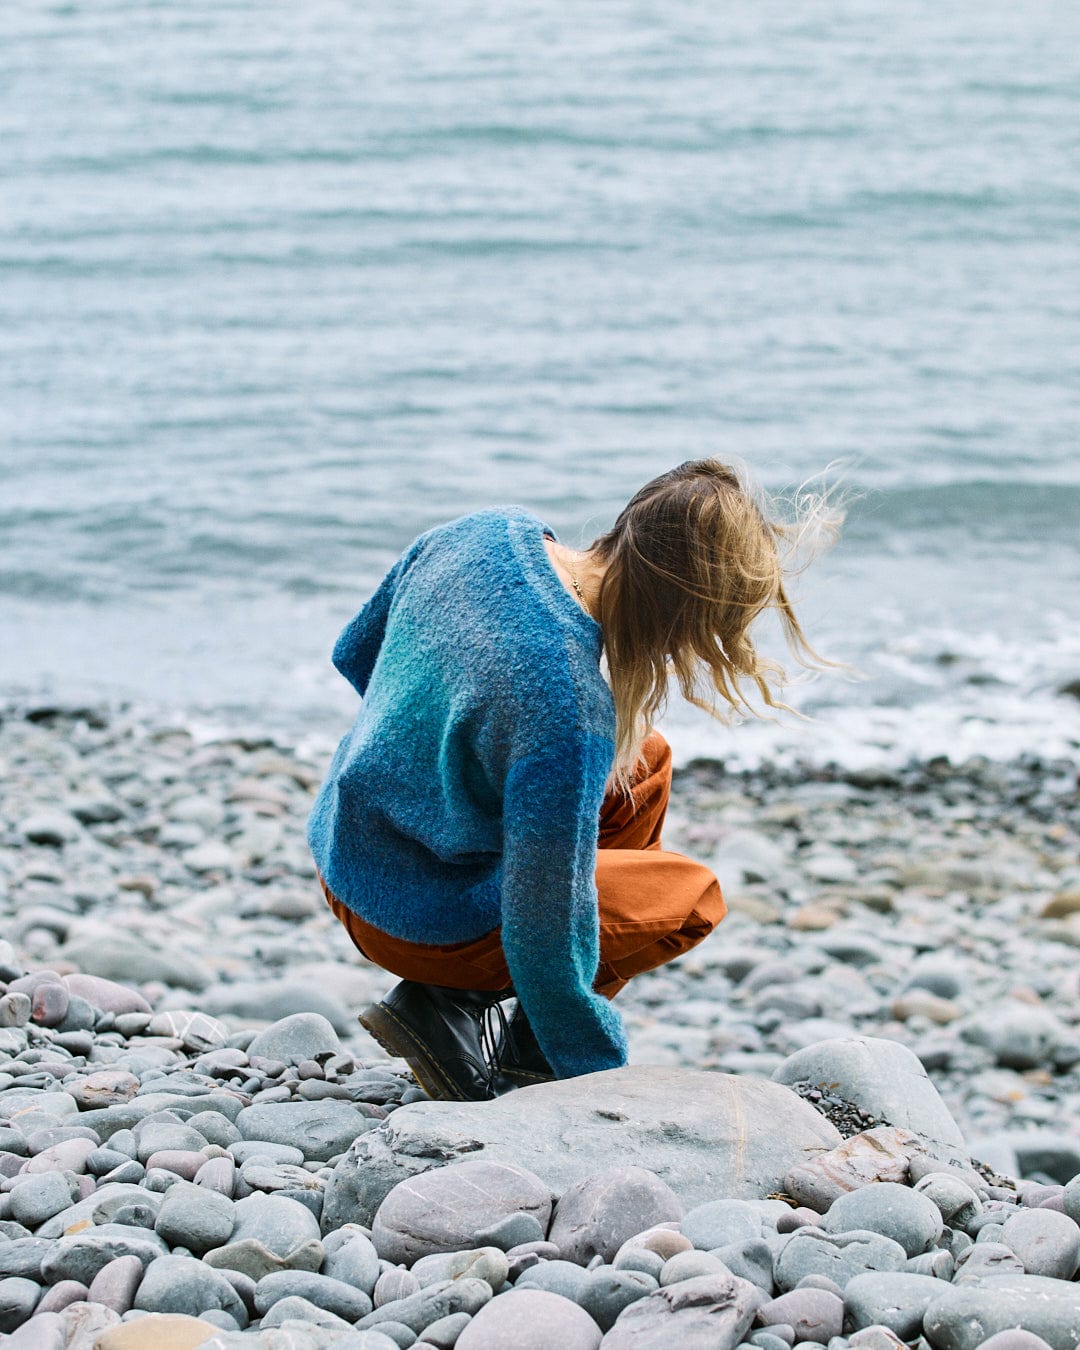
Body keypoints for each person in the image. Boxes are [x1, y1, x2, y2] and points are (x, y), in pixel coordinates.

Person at [308, 459, 836, 1102]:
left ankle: (455, 1001)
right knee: (693, 897)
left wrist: (441, 772)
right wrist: (591, 1080)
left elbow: (356, 649)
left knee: (649, 760)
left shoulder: (490, 532)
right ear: (680, 610)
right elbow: (544, 928)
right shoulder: (566, 710)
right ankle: (514, 1045)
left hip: (345, 843)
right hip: (407, 913)